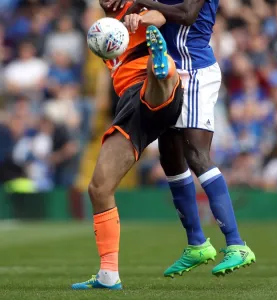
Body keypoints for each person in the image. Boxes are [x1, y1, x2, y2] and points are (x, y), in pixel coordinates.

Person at [104, 0, 256, 277]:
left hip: (195, 70)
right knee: (170, 158)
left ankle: (236, 244)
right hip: (171, 71)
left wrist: (140, 2)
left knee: (196, 155)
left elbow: (186, 15)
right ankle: (196, 244)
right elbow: (158, 13)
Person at [71, 1, 184, 290]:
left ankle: (163, 70)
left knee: (153, 80)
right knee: (99, 188)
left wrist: (142, 20)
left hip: (149, 89)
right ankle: (108, 275)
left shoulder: (137, 8)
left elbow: (158, 16)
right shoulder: (101, 27)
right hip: (131, 107)